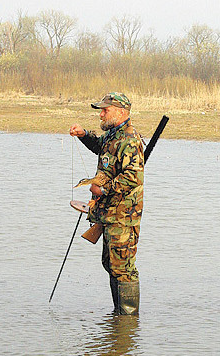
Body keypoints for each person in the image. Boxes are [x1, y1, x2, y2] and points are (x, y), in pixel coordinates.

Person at [69, 92, 144, 315]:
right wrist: (84, 135)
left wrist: (102, 189)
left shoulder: (130, 140)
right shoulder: (113, 136)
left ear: (121, 112)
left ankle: (128, 320)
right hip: (109, 214)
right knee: (111, 264)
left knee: (123, 269)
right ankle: (118, 324)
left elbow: (133, 177)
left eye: (105, 110)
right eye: (101, 110)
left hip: (123, 215)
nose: (101, 114)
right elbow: (100, 146)